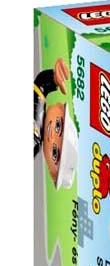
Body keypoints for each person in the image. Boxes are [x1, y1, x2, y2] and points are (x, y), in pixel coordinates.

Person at [34, 57, 78, 190]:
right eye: (58, 125)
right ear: (59, 106)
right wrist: (54, 78)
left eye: (54, 152)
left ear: (51, 171)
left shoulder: (35, 141)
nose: (52, 136)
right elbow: (40, 85)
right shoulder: (39, 112)